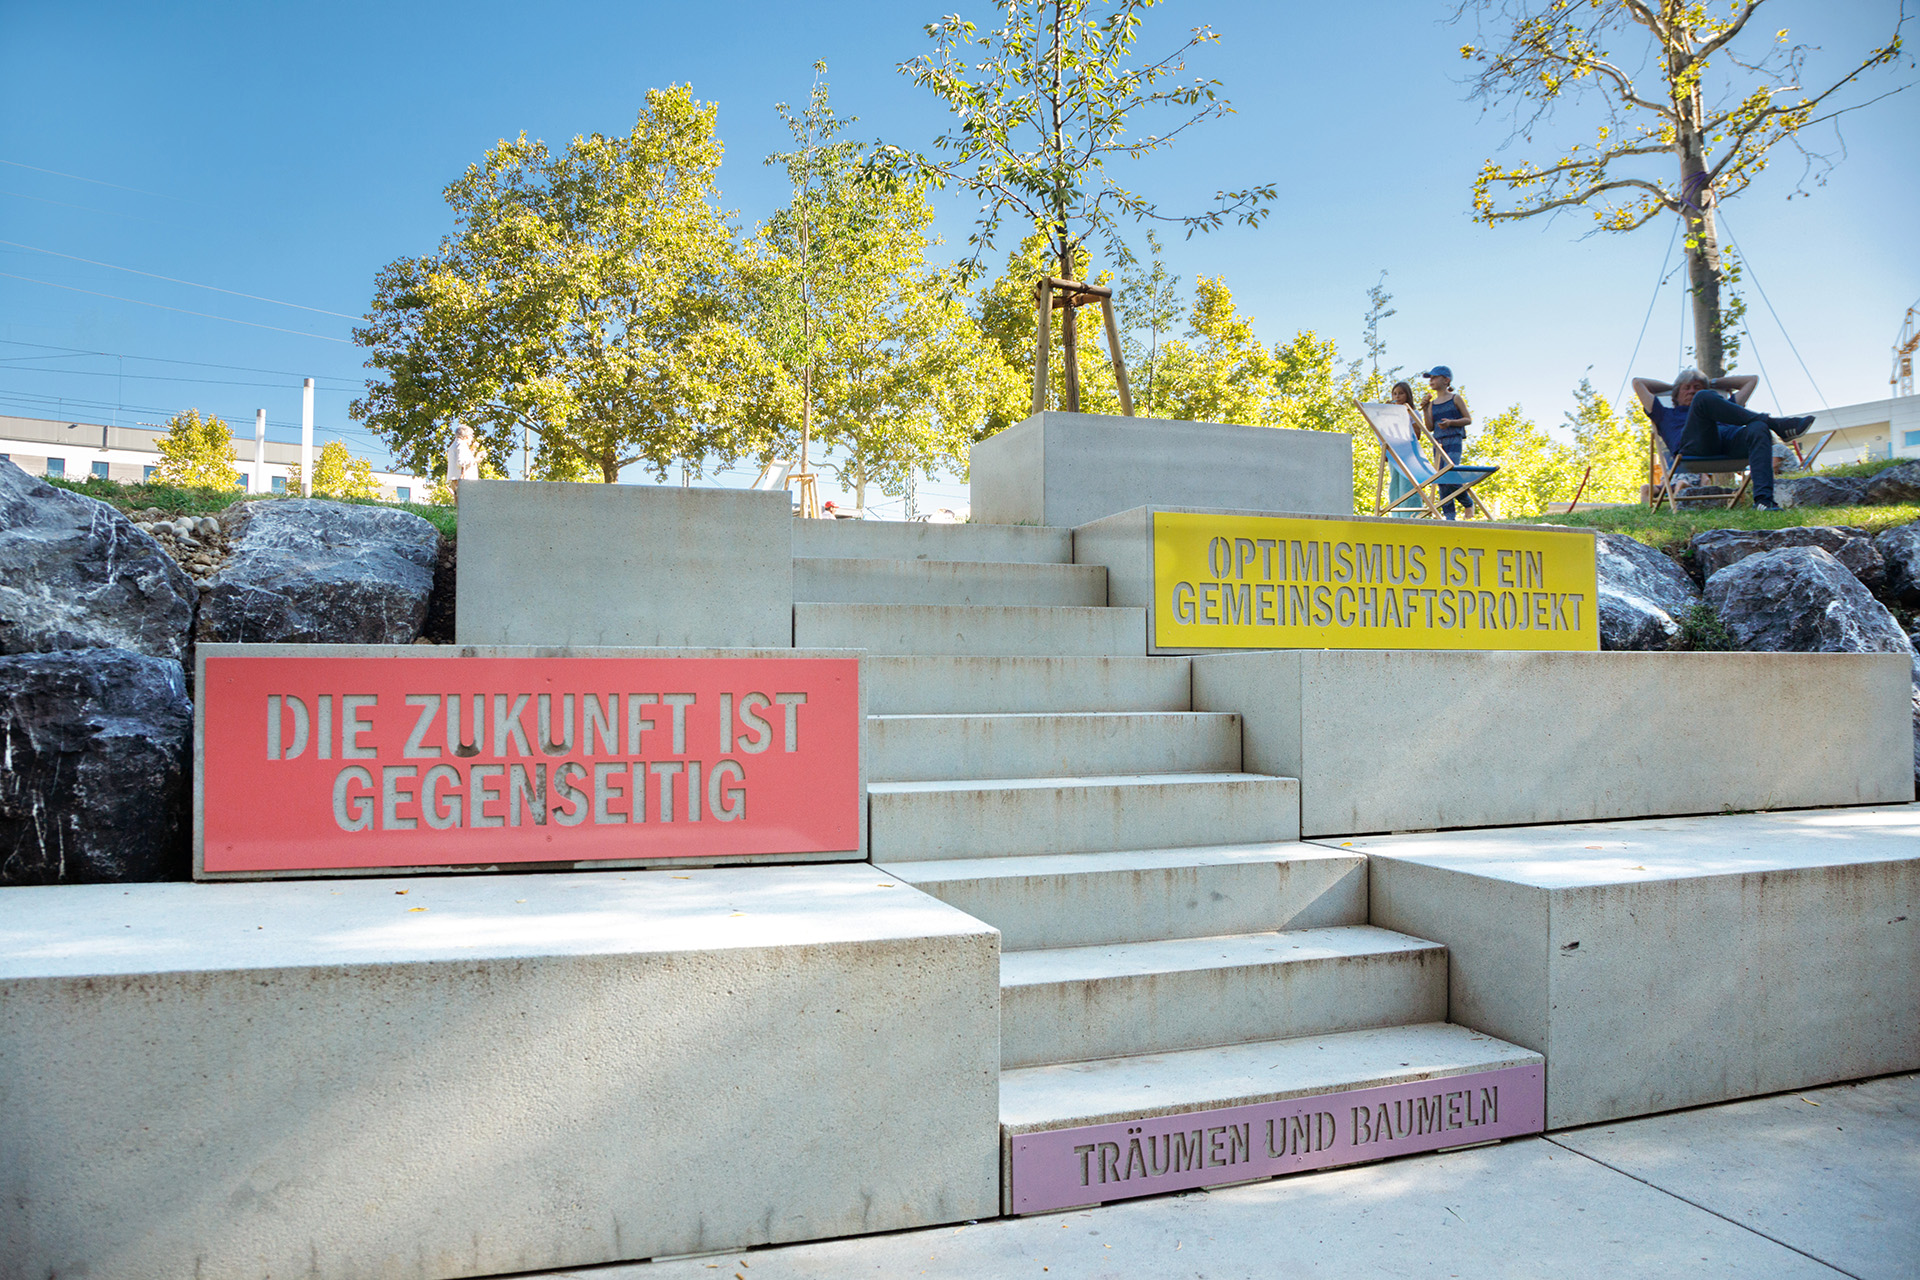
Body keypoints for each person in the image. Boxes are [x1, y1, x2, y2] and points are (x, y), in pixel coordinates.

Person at [1631, 369, 1813, 510]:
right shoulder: (1664, 413)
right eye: (1687, 388)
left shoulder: (1725, 407)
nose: (1692, 391)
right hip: (1695, 447)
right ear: (1676, 395)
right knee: (1703, 399)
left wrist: (1711, 382)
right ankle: (1776, 424)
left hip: (1729, 443)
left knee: (1758, 427)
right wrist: (1676, 385)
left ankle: (1763, 502)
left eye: (1697, 387)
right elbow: (1638, 382)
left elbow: (1751, 380)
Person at [1419, 366, 1477, 519]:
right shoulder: (1432, 403)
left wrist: (1451, 422)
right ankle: (1449, 514)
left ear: (1446, 380)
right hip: (1438, 442)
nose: (1431, 380)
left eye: (1434, 377)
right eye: (1429, 378)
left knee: (1449, 473)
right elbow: (1430, 427)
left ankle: (1468, 503)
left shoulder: (1455, 398)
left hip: (1454, 439)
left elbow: (1468, 419)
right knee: (1441, 478)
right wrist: (1425, 409)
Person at [445, 422, 483, 504]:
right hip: (463, 481)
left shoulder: (455, 445)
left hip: (457, 479)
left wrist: (473, 449)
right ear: (466, 436)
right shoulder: (461, 445)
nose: (472, 439)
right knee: (466, 506)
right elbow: (461, 462)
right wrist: (476, 459)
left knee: (460, 505)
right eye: (471, 436)